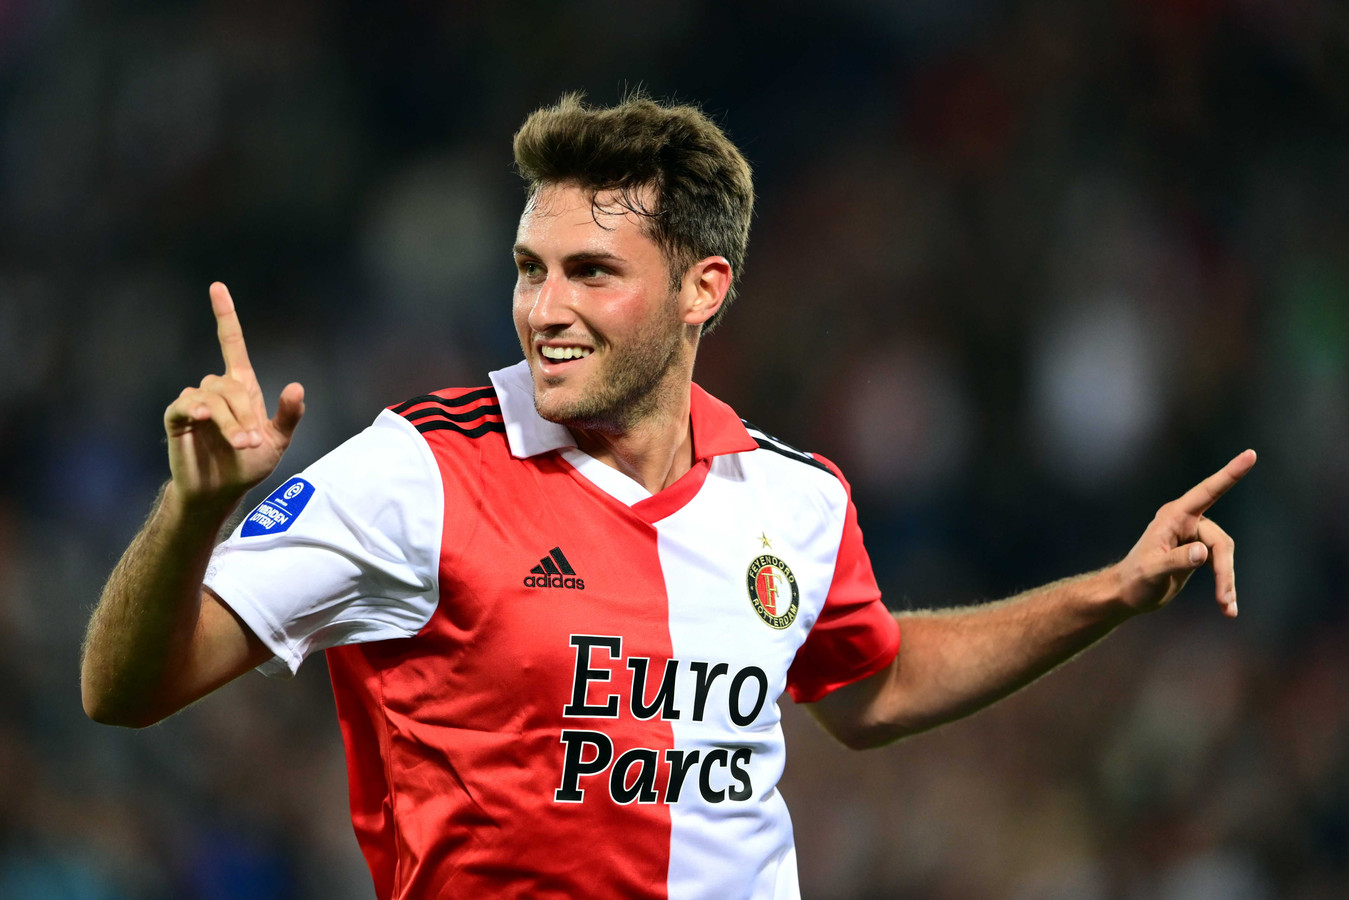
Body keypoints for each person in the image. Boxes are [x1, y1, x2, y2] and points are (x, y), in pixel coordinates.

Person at [81, 93, 1255, 900]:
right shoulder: (412, 470)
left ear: (703, 288)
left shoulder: (791, 497)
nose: (545, 308)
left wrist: (1106, 592)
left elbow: (873, 683)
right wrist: (192, 514)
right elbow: (123, 692)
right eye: (529, 270)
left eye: (591, 271)